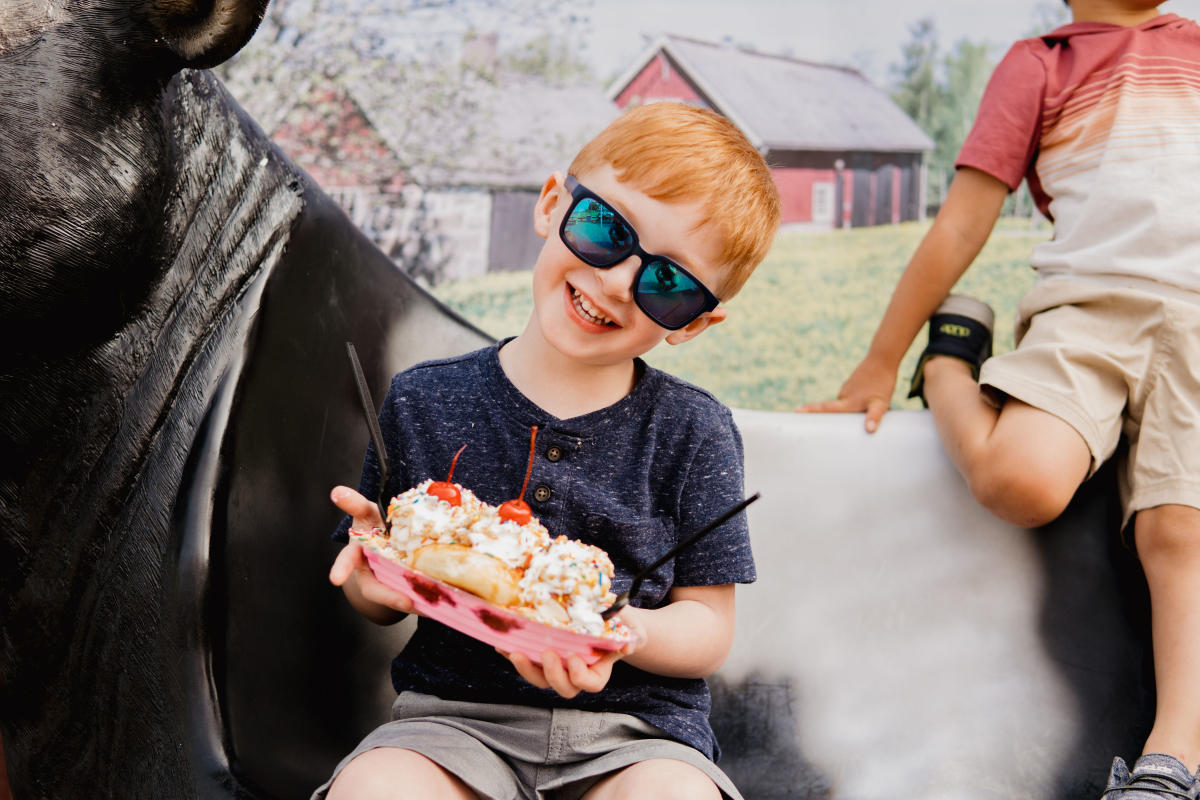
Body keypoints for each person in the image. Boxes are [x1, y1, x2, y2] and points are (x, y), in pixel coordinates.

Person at [314, 102, 781, 800]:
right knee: (376, 788)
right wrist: (370, 575)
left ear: (695, 323)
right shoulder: (422, 400)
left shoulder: (694, 431)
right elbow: (377, 592)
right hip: (451, 728)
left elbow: (709, 626)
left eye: (669, 283)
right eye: (606, 229)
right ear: (552, 204)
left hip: (636, 738)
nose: (619, 282)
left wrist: (621, 632)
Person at [803, 2, 1200, 797]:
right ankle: (948, 363)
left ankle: (1173, 757)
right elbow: (960, 224)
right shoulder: (1039, 63)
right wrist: (881, 361)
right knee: (1021, 481)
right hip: (1088, 314)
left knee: (1178, 528)